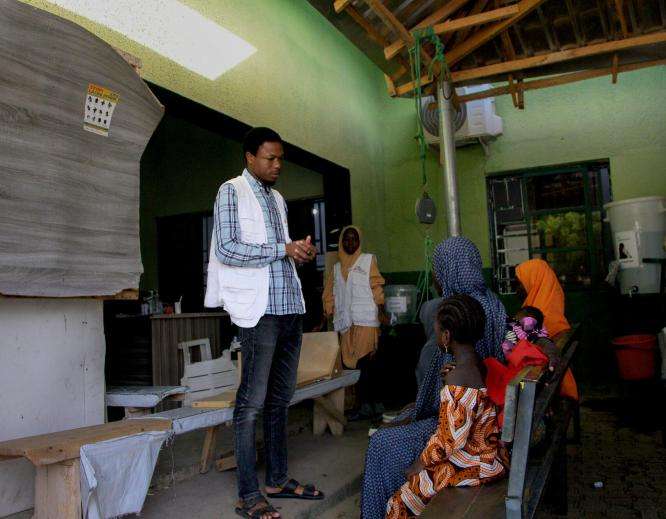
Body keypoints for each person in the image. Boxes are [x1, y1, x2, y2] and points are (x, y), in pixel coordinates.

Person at [204, 127, 323, 519]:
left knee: (279, 399)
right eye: (270, 158)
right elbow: (227, 248)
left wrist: (297, 253)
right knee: (250, 403)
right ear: (249, 157)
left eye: (280, 159)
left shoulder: (277, 198)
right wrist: (282, 249)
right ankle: (248, 494)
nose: (277, 165)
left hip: (289, 307)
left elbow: (277, 252)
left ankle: (277, 478)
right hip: (258, 311)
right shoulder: (230, 191)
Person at [361, 237, 507, 519]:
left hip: (466, 436)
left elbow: (443, 421)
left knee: (383, 444)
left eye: (438, 271)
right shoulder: (492, 305)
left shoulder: (455, 312)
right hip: (487, 418)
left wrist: (413, 421)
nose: (437, 279)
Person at [386, 295, 508, 518]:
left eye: (436, 330)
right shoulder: (475, 366)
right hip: (489, 457)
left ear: (446, 336)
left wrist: (419, 464)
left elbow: (449, 440)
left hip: (473, 465)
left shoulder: (458, 378)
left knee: (398, 502)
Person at [322, 225, 386, 420]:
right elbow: (329, 294)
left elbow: (377, 287)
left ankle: (372, 405)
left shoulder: (368, 261)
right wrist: (326, 313)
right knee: (353, 366)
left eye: (354, 239)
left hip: (366, 321)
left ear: (359, 242)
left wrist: (382, 310)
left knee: (367, 363)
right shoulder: (336, 267)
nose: (350, 243)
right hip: (346, 323)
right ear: (342, 242)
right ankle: (365, 405)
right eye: (346, 240)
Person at [515, 258, 578, 399]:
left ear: (534, 282)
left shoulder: (539, 316)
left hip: (546, 388)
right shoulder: (548, 305)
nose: (517, 288)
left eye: (520, 282)